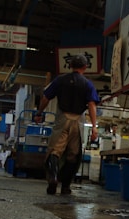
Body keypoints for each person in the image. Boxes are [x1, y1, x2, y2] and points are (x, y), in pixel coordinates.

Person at [34, 54, 100, 195]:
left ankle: (53, 177)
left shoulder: (60, 80)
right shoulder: (87, 84)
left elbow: (46, 97)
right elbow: (91, 104)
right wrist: (94, 126)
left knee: (55, 151)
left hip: (62, 119)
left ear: (70, 66)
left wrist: (39, 112)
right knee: (73, 155)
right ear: (85, 67)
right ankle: (65, 186)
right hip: (77, 121)